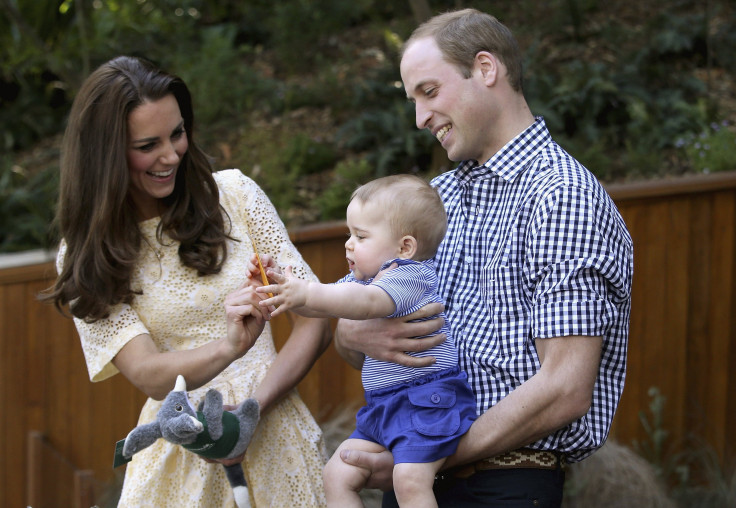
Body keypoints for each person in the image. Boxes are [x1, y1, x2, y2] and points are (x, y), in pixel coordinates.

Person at [333, 8, 634, 508]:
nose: (419, 118)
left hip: (502, 486)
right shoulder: (433, 200)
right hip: (418, 476)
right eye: (412, 100)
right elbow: (352, 334)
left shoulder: (562, 196)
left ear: (486, 69)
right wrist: (351, 331)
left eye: (429, 92)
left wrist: (427, 460)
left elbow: (565, 387)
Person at [41, 55, 331, 507]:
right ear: (104, 153)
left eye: (177, 133)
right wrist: (230, 347)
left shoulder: (236, 195)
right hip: (176, 461)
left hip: (278, 439)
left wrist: (253, 409)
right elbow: (150, 375)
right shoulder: (84, 256)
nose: (171, 154)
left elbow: (314, 320)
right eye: (147, 144)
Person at [256, 174, 477, 507]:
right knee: (337, 474)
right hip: (385, 406)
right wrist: (285, 289)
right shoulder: (366, 277)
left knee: (410, 479)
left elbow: (367, 303)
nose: (348, 243)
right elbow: (328, 303)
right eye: (349, 233)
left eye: (360, 235)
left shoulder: (409, 274)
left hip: (426, 402)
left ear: (405, 247)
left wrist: (308, 292)